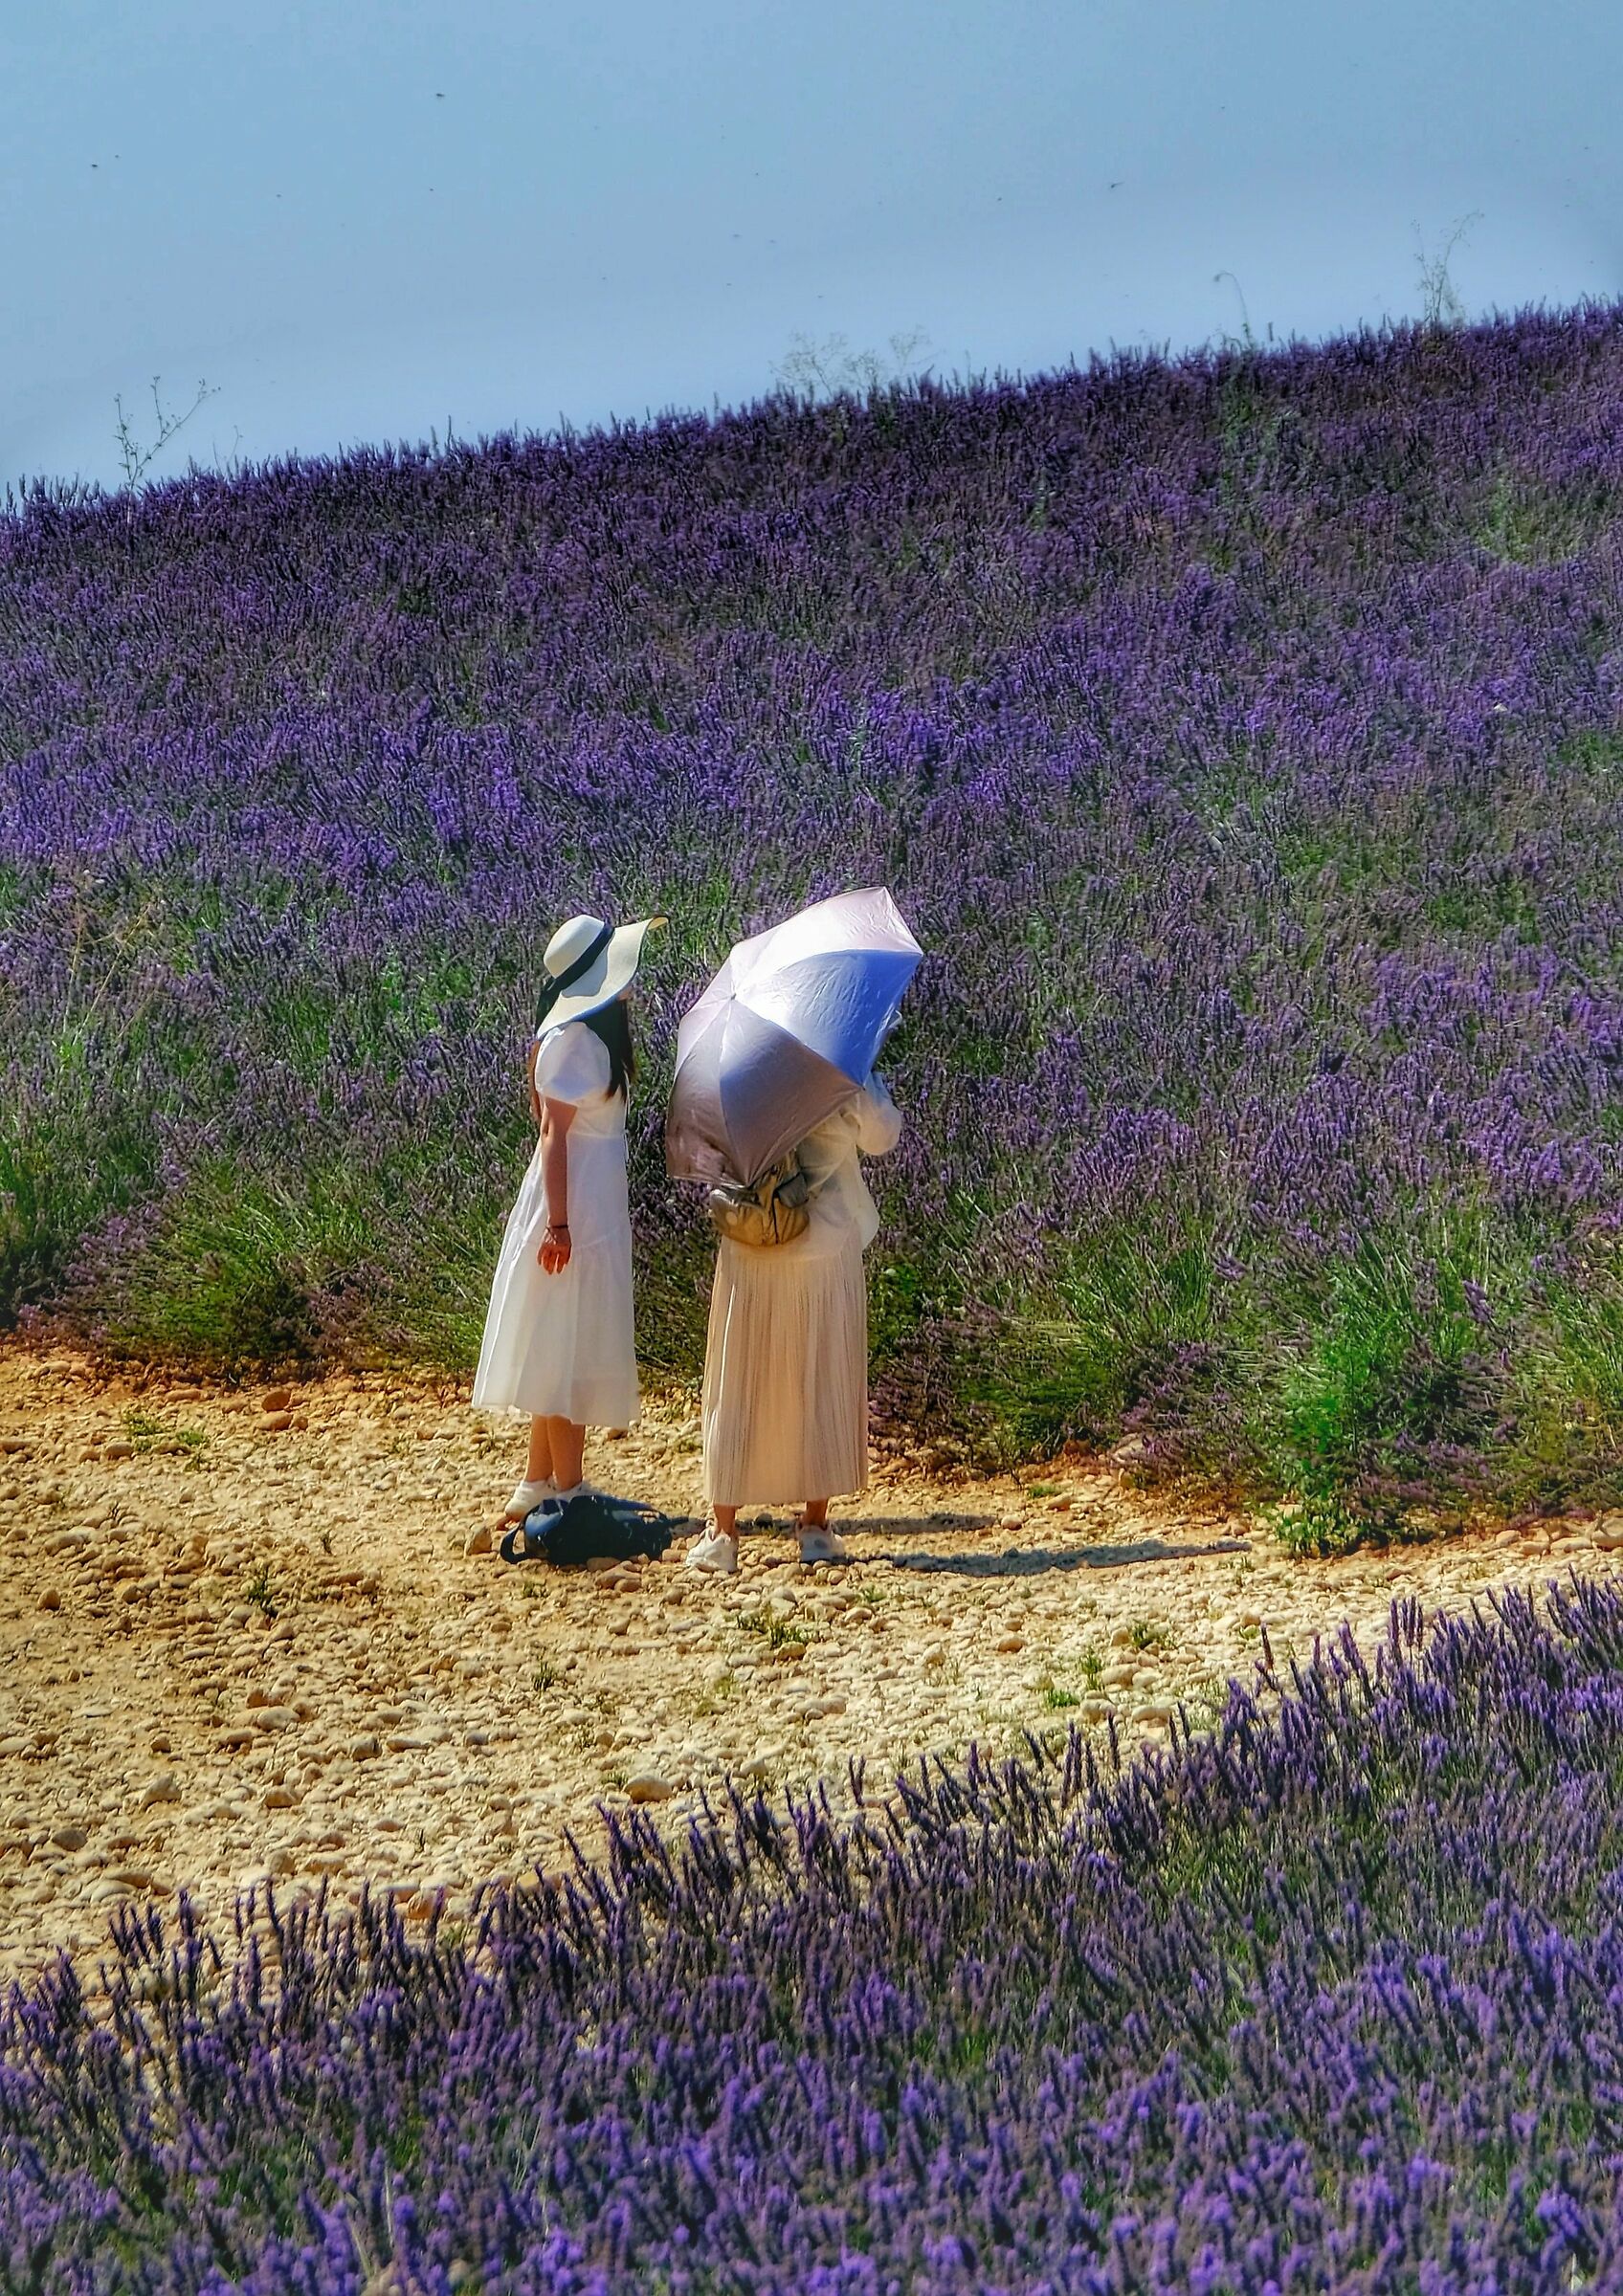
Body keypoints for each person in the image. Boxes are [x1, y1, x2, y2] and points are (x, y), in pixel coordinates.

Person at [472, 911, 662, 1517]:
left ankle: (537, 1480)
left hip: (587, 1196)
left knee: (561, 1331)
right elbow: (554, 1134)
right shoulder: (575, 1040)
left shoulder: (581, 1037)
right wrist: (559, 1224)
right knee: (566, 1340)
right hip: (575, 1200)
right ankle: (569, 1489)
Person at [686, 1071, 903, 1573]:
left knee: (739, 1376)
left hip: (751, 1236)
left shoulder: (739, 1065)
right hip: (823, 1241)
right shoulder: (839, 1064)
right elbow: (882, 1136)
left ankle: (723, 1531)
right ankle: (814, 1526)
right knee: (822, 1373)